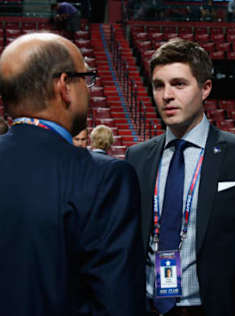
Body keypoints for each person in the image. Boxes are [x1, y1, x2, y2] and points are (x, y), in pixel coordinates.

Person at [125, 38, 235, 316]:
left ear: (205, 88)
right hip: (149, 308)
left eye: (179, 84)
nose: (166, 95)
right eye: (159, 85)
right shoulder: (137, 157)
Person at [0, 32, 145, 316]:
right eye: (85, 78)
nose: (89, 89)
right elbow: (118, 303)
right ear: (64, 86)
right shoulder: (106, 179)